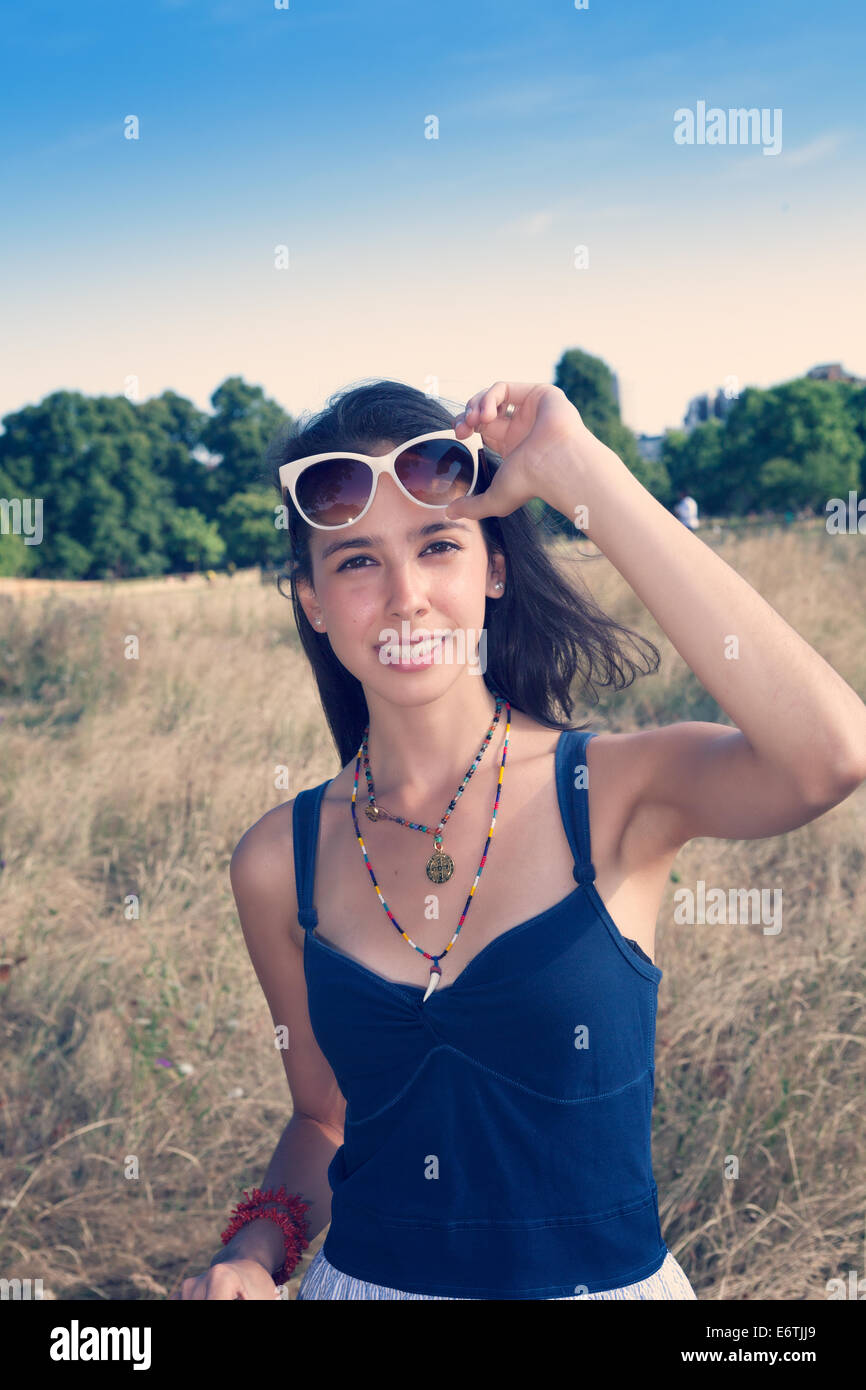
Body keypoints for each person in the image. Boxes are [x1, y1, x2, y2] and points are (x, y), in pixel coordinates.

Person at [173, 379, 866, 1301]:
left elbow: (831, 754)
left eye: (439, 545)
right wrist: (254, 1249)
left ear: (495, 566)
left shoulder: (614, 793)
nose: (406, 598)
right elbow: (322, 1118)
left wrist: (584, 473)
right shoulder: (277, 860)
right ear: (310, 599)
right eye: (355, 564)